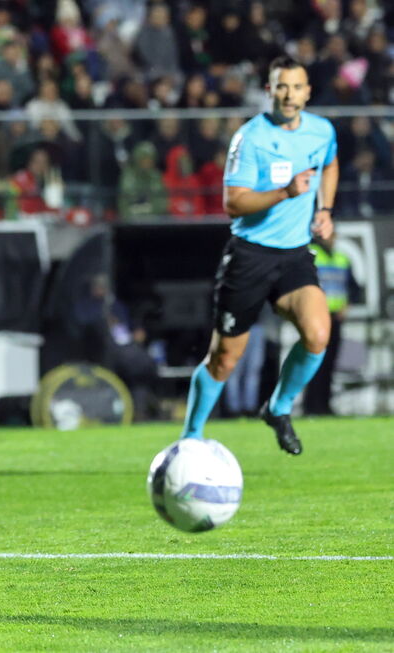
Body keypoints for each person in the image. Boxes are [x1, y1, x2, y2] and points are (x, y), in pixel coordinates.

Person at [179, 56, 338, 455]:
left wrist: (324, 209)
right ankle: (190, 438)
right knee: (225, 358)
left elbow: (330, 163)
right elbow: (234, 203)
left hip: (295, 255)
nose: (289, 94)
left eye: (297, 87)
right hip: (250, 255)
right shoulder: (250, 138)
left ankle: (278, 407)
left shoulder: (321, 131)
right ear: (269, 91)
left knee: (318, 333)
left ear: (308, 92)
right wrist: (285, 192)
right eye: (281, 86)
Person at [303, 235, 356, 415]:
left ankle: (324, 405)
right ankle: (311, 406)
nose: (333, 239)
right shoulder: (310, 254)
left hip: (336, 319)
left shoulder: (341, 258)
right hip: (316, 318)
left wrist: (347, 305)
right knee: (314, 363)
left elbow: (354, 287)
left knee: (330, 364)